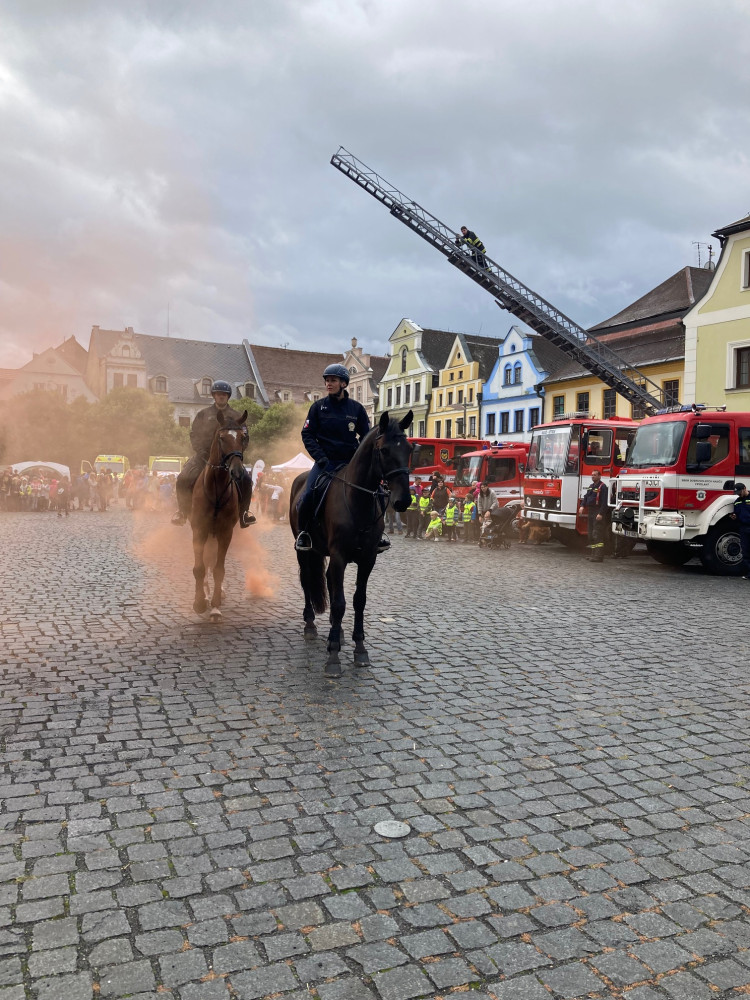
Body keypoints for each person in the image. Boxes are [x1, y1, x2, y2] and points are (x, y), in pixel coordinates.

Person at [295, 364, 387, 553]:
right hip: (325, 463)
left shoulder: (357, 409)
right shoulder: (318, 408)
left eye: (333, 380)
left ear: (343, 383)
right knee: (307, 496)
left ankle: (377, 534)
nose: (329, 384)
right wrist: (320, 457)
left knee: (378, 492)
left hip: (350, 463)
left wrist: (361, 458)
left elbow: (367, 437)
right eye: (327, 380)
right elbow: (308, 435)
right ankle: (304, 533)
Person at [172, 379, 255, 528]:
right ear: (214, 396)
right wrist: (201, 451)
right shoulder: (203, 414)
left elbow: (245, 438)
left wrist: (237, 453)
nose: (221, 396)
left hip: (229, 458)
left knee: (247, 481)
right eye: (218, 394)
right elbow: (194, 434)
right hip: (203, 456)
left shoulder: (237, 416)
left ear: (228, 396)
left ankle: (244, 514)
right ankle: (182, 512)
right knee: (183, 478)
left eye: (224, 394)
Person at [578, 469, 608, 562]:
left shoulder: (603, 487)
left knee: (597, 534)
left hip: (598, 511)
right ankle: (593, 554)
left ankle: (599, 556)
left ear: (599, 476)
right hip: (591, 511)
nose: (593, 476)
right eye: (592, 475)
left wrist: (601, 513)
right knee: (590, 534)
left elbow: (604, 502)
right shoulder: (591, 486)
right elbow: (586, 497)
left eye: (595, 475)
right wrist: (582, 506)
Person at [731, 482, 750, 580]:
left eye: (739, 492)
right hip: (744, 528)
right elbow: (736, 514)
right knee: (746, 551)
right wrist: (734, 516)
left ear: (744, 488)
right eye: (737, 492)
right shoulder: (737, 501)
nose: (738, 494)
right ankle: (749, 573)